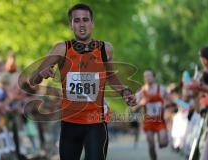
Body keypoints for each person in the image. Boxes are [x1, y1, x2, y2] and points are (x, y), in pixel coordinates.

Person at [29, 3, 137, 160]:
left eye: (85, 20)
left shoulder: (105, 49)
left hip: (96, 122)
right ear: (71, 25)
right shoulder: (61, 49)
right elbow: (33, 79)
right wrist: (41, 74)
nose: (81, 24)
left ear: (92, 24)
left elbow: (111, 75)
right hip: (70, 122)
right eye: (77, 20)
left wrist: (124, 91)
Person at [132, 69, 169, 160]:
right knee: (151, 144)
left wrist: (166, 106)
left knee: (164, 143)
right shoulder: (141, 92)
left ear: (154, 77)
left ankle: (162, 141)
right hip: (148, 121)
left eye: (149, 76)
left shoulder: (162, 89)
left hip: (160, 120)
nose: (147, 78)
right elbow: (133, 109)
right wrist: (141, 103)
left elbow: (171, 101)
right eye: (145, 76)